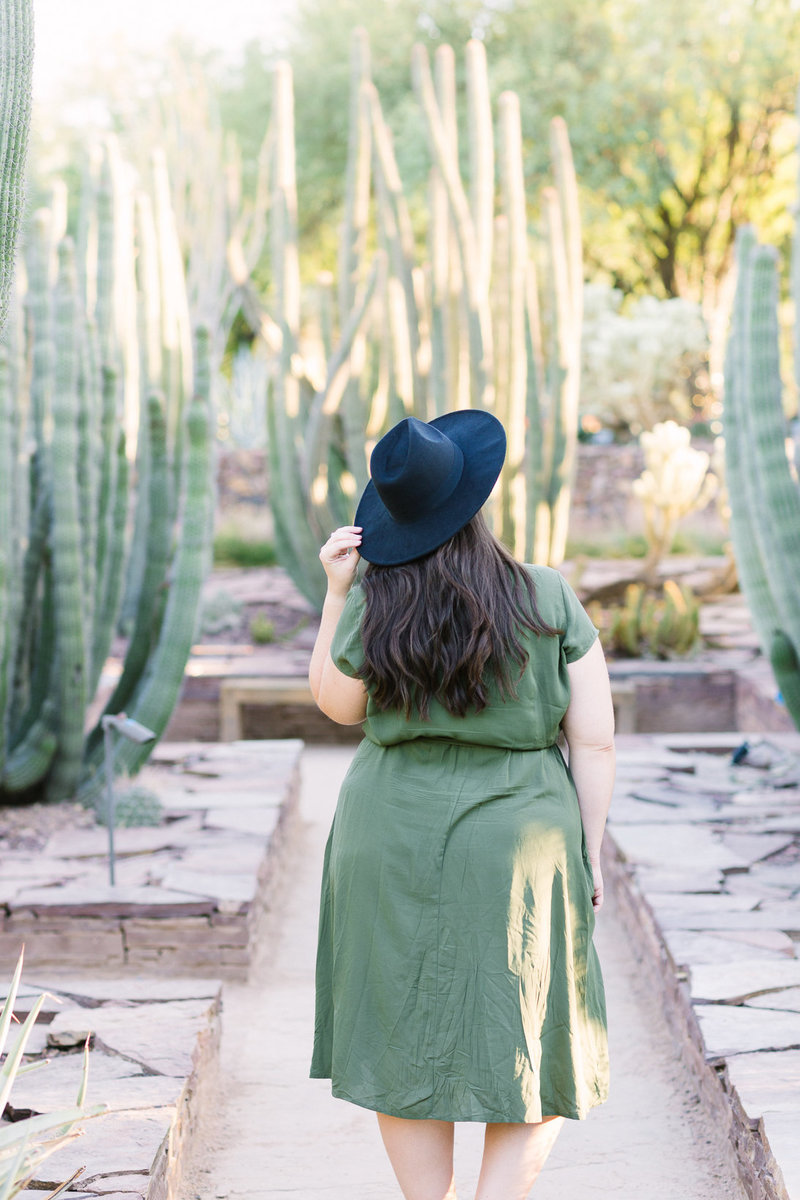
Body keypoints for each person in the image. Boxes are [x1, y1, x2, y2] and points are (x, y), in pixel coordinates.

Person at [308, 410, 615, 1200]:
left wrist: (336, 591)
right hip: (525, 837)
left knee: (402, 1028)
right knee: (533, 1023)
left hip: (387, 834)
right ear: (474, 503)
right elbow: (597, 741)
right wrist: (589, 849)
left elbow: (337, 707)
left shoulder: (377, 602)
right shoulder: (545, 595)